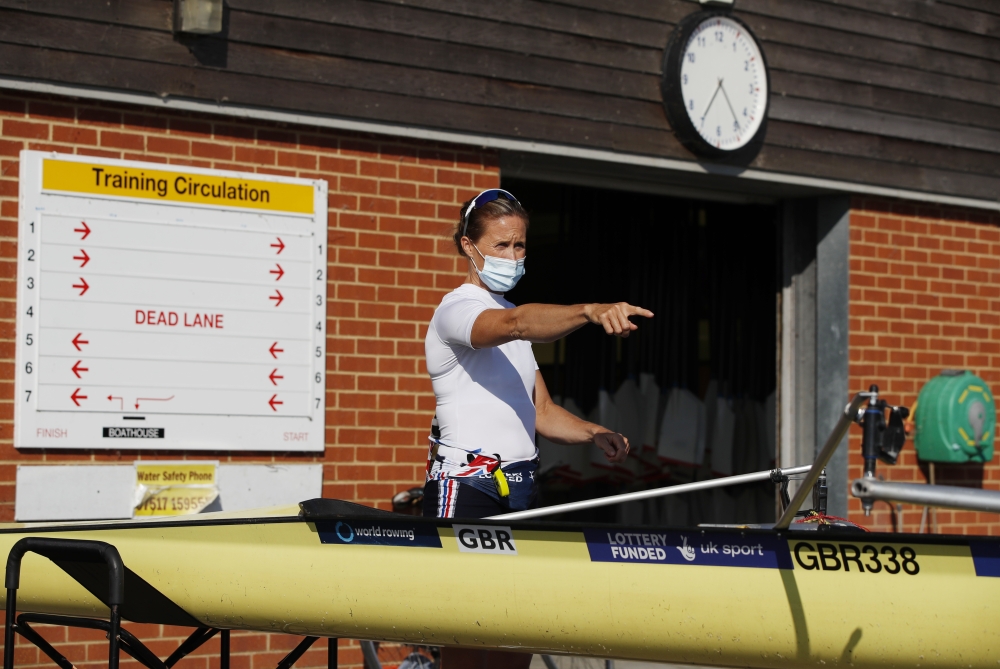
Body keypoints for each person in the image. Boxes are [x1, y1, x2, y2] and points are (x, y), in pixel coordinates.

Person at [422, 188, 653, 669]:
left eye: (520, 245)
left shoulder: (515, 327)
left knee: (515, 632)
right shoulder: (459, 310)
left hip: (522, 488)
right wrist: (589, 311)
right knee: (470, 634)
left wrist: (592, 432)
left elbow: (542, 412)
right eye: (501, 245)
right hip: (467, 488)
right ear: (469, 246)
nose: (512, 255)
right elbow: (515, 325)